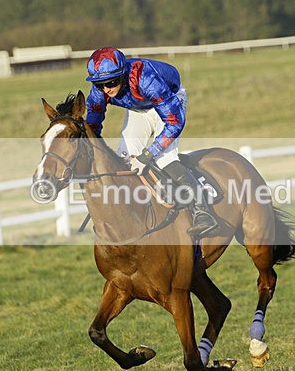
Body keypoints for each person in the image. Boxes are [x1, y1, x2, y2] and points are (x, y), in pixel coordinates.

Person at [84, 46, 217, 238]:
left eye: (111, 82)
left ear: (122, 76)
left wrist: (148, 155)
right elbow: (93, 124)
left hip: (169, 102)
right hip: (140, 109)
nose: (106, 89)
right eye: (99, 84)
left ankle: (202, 211)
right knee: (124, 157)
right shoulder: (101, 90)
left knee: (164, 158)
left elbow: (175, 122)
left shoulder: (146, 78)